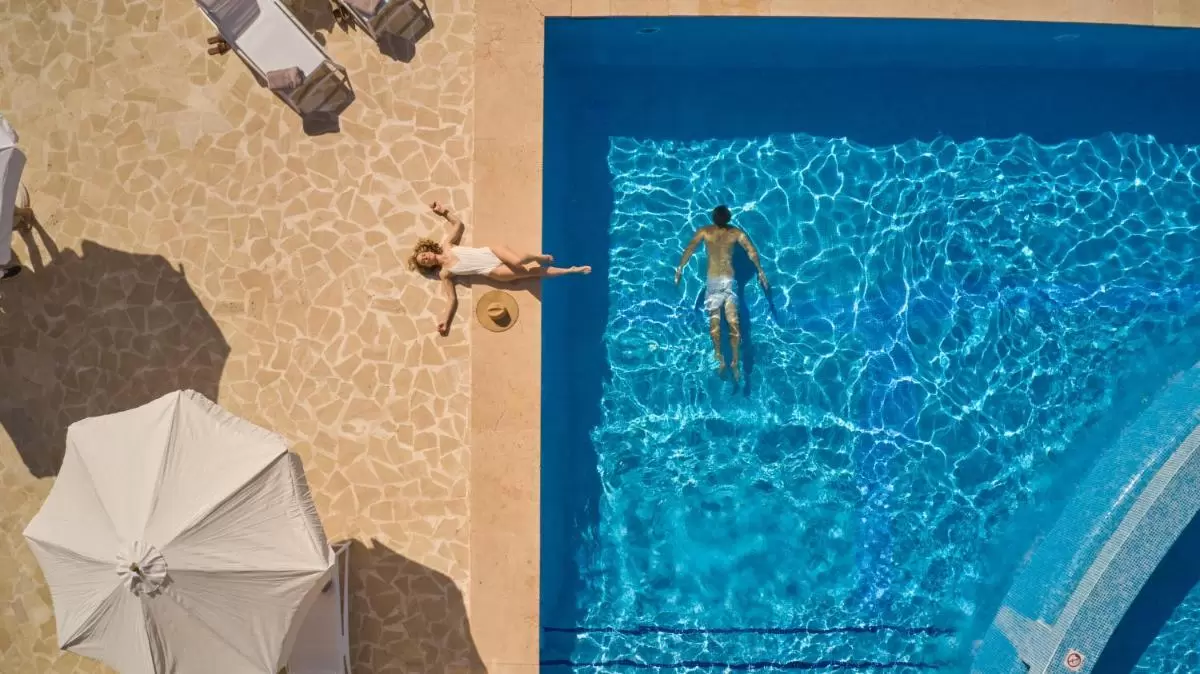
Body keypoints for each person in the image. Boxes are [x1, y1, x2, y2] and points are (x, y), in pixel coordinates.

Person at [409, 201, 590, 335]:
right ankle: (570, 270)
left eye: (423, 255)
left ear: (428, 250)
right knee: (531, 274)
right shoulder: (445, 274)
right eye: (424, 262)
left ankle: (536, 256)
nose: (425, 258)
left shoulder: (447, 244)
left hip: (493, 253)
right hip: (492, 272)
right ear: (429, 265)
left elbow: (458, 225)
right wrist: (446, 321)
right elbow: (451, 299)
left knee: (519, 262)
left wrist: (444, 212)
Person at [675, 205, 768, 383]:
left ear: (713, 218)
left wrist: (680, 268)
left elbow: (690, 248)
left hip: (713, 283)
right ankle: (735, 359)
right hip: (730, 282)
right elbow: (751, 250)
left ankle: (720, 358)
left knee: (715, 322)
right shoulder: (736, 233)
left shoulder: (705, 232)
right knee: (734, 322)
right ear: (729, 218)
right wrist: (760, 271)